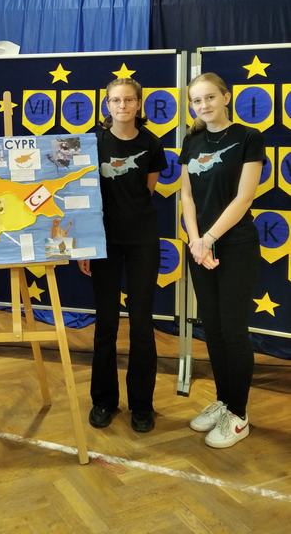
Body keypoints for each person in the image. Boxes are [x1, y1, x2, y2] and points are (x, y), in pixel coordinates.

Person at [180, 72, 264, 448]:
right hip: (200, 247)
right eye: (197, 100)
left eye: (210, 97)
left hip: (235, 246)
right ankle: (224, 400)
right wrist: (195, 240)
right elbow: (186, 196)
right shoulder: (192, 140)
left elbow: (244, 197)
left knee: (233, 330)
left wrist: (210, 239)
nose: (204, 105)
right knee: (212, 328)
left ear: (226, 97)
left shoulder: (248, 138)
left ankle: (239, 415)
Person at [78, 78, 166, 433]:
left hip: (142, 241)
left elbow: (147, 190)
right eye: (116, 100)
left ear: (139, 104)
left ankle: (142, 405)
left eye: (129, 100)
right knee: (106, 323)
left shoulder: (152, 144)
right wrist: (86, 245)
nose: (123, 106)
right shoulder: (93, 142)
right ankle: (103, 400)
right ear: (107, 105)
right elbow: (85, 195)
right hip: (104, 243)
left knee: (142, 324)